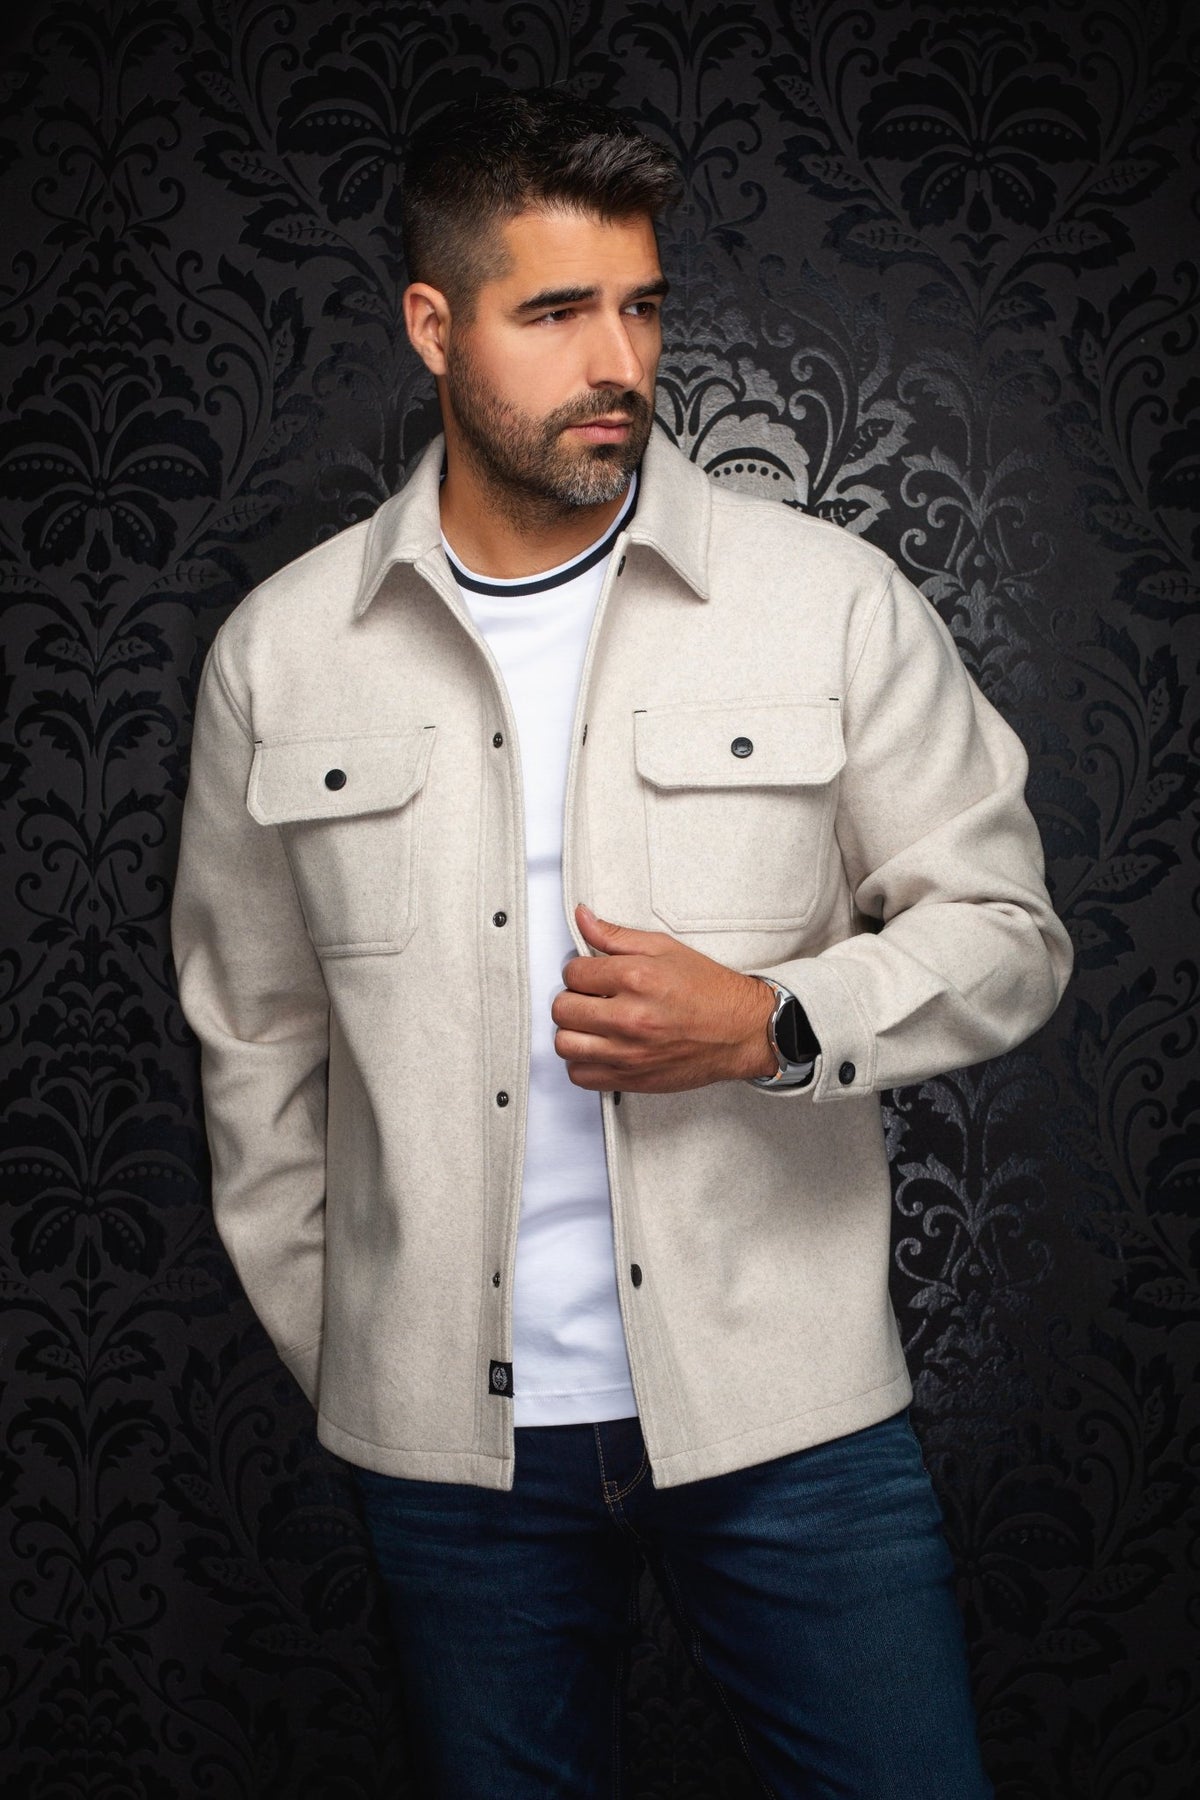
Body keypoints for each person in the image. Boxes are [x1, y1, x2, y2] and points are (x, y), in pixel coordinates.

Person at [171, 87, 1073, 1800]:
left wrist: (774, 1022)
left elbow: (1008, 933)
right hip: (452, 1464)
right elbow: (256, 1048)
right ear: (432, 325)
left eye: (643, 306)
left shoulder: (829, 602)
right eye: (557, 311)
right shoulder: (279, 657)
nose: (619, 361)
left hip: (792, 1425)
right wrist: (364, 1360)